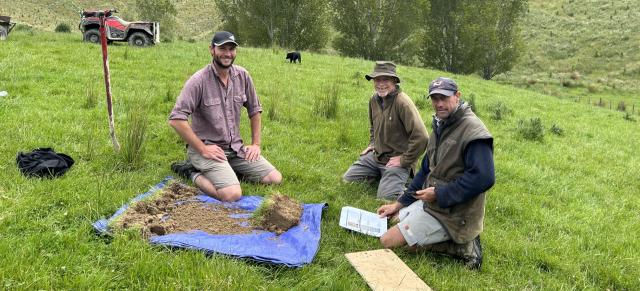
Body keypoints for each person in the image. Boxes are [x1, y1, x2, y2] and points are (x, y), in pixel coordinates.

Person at [377, 77, 495, 270]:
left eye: (444, 98)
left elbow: (484, 178)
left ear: (457, 96)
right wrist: (397, 204)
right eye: (435, 98)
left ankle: (464, 246)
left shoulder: (474, 132)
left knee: (387, 240)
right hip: (434, 203)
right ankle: (428, 230)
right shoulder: (441, 124)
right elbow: (424, 170)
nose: (439, 104)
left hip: (456, 213)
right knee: (395, 217)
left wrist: (439, 194)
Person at [168, 31, 282, 202]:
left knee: (274, 179)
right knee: (232, 195)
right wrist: (203, 149)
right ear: (212, 50)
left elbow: (255, 110)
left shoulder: (242, 76)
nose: (228, 53)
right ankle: (190, 171)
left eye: (231, 49)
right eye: (222, 48)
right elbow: (176, 119)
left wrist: (256, 144)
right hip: (207, 149)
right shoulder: (199, 80)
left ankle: (228, 172)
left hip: (235, 149)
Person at [342, 61, 428, 200]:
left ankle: (400, 181)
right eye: (377, 79)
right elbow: (373, 127)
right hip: (376, 156)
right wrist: (372, 144)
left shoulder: (403, 102)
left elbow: (422, 137)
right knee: (347, 180)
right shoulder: (373, 99)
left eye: (385, 79)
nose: (380, 84)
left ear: (394, 81)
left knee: (386, 198)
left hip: (396, 160)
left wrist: (404, 160)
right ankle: (382, 176)